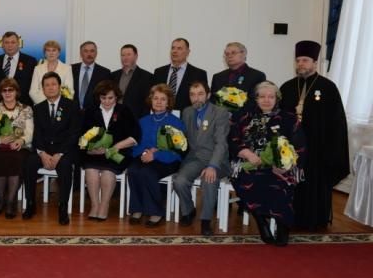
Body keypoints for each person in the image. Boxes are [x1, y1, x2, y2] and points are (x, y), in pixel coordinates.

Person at [280, 40, 349, 231]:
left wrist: (332, 149)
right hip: (291, 148)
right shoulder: (287, 87)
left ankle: (314, 220)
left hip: (317, 148)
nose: (301, 64)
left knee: (314, 184)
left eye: (305, 60)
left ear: (315, 63)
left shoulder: (328, 87)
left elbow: (337, 122)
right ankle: (290, 217)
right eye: (298, 60)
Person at [229, 81, 305, 246]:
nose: (266, 100)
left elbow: (299, 146)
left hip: (280, 167)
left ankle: (283, 226)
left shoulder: (289, 118)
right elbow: (233, 142)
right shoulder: (243, 117)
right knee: (251, 179)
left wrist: (284, 165)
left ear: (277, 99)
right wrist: (247, 154)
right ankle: (261, 219)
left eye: (271, 97)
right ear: (255, 99)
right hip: (249, 162)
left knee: (279, 183)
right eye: (262, 96)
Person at [171, 81, 231, 236]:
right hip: (195, 158)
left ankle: (205, 220)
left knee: (208, 179)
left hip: (217, 159)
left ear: (208, 95)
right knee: (179, 181)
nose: (196, 98)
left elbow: (221, 143)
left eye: (200, 94)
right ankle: (189, 210)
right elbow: (182, 137)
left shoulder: (220, 113)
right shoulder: (187, 112)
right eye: (192, 94)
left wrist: (212, 166)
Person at [24, 72, 80, 224]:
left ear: (60, 86)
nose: (50, 88)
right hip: (44, 150)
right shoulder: (38, 108)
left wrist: (59, 153)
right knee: (29, 163)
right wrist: (42, 153)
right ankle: (30, 203)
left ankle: (63, 207)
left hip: (64, 151)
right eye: (47, 85)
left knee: (66, 166)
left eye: (53, 84)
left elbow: (74, 134)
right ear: (43, 89)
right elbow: (37, 134)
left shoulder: (71, 105)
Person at [127, 84, 185, 227]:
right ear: (151, 100)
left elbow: (178, 150)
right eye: (156, 98)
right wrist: (144, 153)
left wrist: (156, 155)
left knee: (147, 172)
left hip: (168, 159)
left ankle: (156, 212)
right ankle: (137, 209)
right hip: (145, 156)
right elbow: (136, 144)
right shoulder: (143, 121)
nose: (159, 102)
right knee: (133, 170)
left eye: (163, 99)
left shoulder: (175, 122)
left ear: (168, 102)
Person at [80, 80, 139, 221]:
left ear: (116, 97)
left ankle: (104, 205)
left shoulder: (124, 111)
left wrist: (115, 147)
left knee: (108, 172)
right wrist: (90, 149)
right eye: (103, 98)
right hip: (94, 154)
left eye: (110, 98)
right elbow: (82, 135)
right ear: (98, 97)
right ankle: (95, 205)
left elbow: (135, 136)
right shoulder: (91, 111)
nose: (106, 101)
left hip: (117, 153)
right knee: (91, 170)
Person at [0, 78, 34, 219]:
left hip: (19, 147)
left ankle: (10, 202)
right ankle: (0, 201)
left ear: (16, 92)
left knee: (16, 158)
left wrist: (21, 140)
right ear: (0, 93)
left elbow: (30, 132)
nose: (7, 93)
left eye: (10, 90)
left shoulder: (26, 109)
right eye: (4, 90)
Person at [152, 38, 209, 111]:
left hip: (187, 116)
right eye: (173, 48)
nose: (175, 51)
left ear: (188, 52)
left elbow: (202, 101)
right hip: (161, 115)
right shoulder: (159, 72)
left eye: (179, 48)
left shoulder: (199, 74)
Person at [0, 31, 37, 106]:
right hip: (0, 107)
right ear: (2, 45)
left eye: (13, 42)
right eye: (7, 42)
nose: (10, 45)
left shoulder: (30, 61)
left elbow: (33, 87)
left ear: (18, 44)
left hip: (23, 107)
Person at [110, 44, 154, 120]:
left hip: (135, 120)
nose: (125, 58)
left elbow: (147, 103)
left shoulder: (147, 77)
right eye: (123, 55)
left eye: (128, 54)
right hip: (115, 118)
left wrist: (142, 121)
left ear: (136, 56)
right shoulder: (113, 75)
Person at [29, 40, 75, 105]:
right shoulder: (37, 69)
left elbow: (70, 91)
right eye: (48, 50)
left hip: (61, 106)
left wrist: (56, 104)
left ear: (58, 53)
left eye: (54, 50)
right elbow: (33, 91)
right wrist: (46, 104)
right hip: (41, 105)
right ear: (45, 54)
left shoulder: (67, 68)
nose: (51, 53)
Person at [72, 41, 111, 112]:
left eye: (92, 51)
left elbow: (106, 95)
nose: (89, 54)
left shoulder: (105, 73)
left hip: (94, 114)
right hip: (73, 113)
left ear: (96, 53)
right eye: (86, 51)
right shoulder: (71, 69)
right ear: (81, 53)